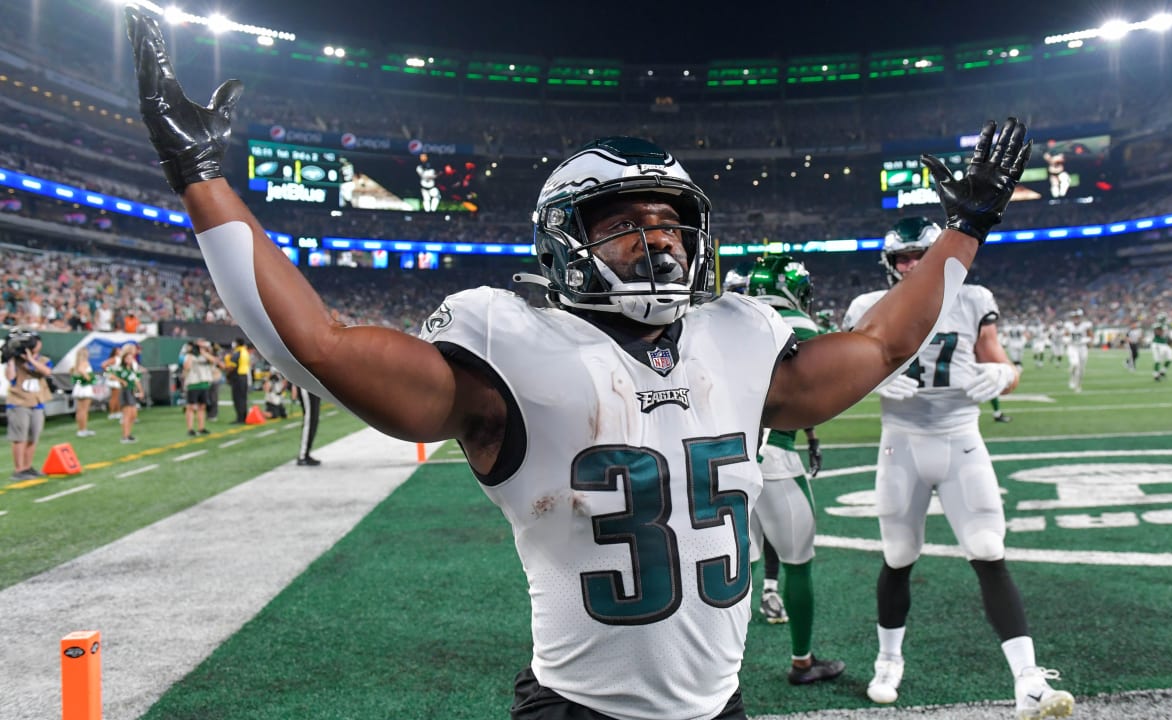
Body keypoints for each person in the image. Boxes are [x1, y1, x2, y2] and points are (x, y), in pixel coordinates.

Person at [126, 11, 1030, 716]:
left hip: (720, 706)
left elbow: (883, 343)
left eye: (670, 222)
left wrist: (971, 220)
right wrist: (199, 169)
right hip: (579, 709)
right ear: (565, 241)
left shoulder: (739, 336)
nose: (659, 241)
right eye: (625, 223)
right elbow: (315, 346)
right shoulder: (508, 346)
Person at [841, 216, 1073, 720]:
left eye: (919, 255)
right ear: (889, 264)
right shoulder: (866, 307)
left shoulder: (972, 299)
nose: (910, 266)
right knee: (899, 555)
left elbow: (1000, 363)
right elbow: (840, 373)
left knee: (989, 548)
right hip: (900, 443)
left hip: (962, 439)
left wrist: (1006, 373)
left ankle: (1028, 680)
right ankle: (887, 659)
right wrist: (870, 382)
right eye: (901, 258)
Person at [742, 254, 844, 685]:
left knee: (726, 570)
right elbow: (814, 396)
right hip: (776, 460)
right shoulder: (801, 327)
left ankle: (712, 667)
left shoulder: (721, 324)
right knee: (798, 563)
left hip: (720, 463)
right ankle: (802, 661)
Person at [4, 329, 53, 480]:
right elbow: (10, 377)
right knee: (20, 437)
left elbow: (47, 372)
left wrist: (31, 360)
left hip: (37, 402)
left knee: (33, 437)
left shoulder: (43, 359)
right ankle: (18, 469)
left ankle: (27, 466)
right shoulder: (16, 361)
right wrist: (11, 359)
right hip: (19, 402)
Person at [183, 339, 217, 436]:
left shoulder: (205, 356)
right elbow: (186, 367)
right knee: (191, 407)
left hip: (204, 383)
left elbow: (214, 360)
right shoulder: (190, 356)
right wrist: (193, 354)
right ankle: (190, 429)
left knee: (202, 406)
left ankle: (201, 428)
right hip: (193, 384)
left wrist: (203, 352)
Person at [111, 343, 144, 443]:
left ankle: (128, 434)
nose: (130, 360)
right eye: (128, 358)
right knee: (127, 414)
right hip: (125, 391)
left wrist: (141, 390)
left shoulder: (132, 369)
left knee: (133, 414)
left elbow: (136, 380)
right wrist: (121, 381)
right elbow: (109, 375)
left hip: (131, 391)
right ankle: (125, 436)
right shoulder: (121, 368)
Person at [70, 346, 98, 437]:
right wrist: (88, 377)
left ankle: (80, 429)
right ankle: (83, 429)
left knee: (80, 410)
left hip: (79, 387)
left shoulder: (77, 363)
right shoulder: (85, 363)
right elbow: (82, 370)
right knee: (84, 410)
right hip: (85, 388)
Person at [1064, 308, 1092, 393]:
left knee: (1081, 369)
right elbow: (1065, 335)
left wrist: (1088, 342)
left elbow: (1090, 335)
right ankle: (1072, 379)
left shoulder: (1086, 325)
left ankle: (1078, 385)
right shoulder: (1068, 325)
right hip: (1072, 347)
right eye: (1074, 317)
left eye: (1077, 317)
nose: (1076, 318)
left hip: (1082, 347)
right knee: (1075, 364)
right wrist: (1067, 340)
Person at [293, 382, 322, 466]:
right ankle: (303, 455)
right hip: (305, 384)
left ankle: (306, 453)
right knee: (310, 418)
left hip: (313, 384)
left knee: (313, 419)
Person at [227, 337, 251, 423]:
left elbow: (232, 366)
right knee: (243, 398)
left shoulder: (237, 353)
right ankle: (244, 416)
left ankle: (240, 418)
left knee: (237, 398)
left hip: (238, 377)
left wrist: (227, 373)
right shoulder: (245, 352)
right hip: (244, 376)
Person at [1151, 313, 1172, 381]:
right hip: (1157, 344)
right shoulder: (1157, 325)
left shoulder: (1165, 325)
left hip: (1164, 344)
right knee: (1158, 360)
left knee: (1170, 358)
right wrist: (1162, 330)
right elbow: (1158, 333)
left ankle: (1162, 371)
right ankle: (1156, 375)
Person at [102, 345, 124, 420]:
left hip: (117, 379)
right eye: (118, 350)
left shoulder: (119, 359)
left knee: (117, 397)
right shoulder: (114, 359)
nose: (120, 351)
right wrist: (110, 373)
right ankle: (111, 413)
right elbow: (103, 365)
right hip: (114, 380)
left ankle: (117, 412)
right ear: (115, 352)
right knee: (114, 397)